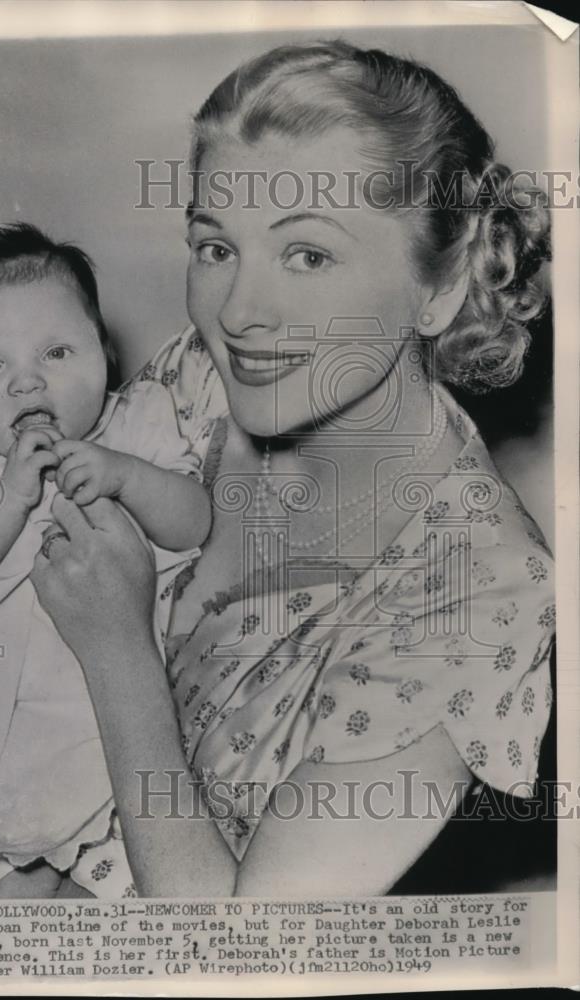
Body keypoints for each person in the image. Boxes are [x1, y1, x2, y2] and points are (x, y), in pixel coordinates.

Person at [28, 38, 555, 898]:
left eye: (308, 255)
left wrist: (115, 648)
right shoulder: (200, 383)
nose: (238, 313)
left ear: (443, 285)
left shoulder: (482, 599)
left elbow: (254, 964)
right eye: (215, 248)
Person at [0, 221, 211, 899]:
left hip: (107, 760)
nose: (26, 385)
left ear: (105, 350)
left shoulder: (136, 424)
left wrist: (127, 475)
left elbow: (194, 522)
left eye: (57, 352)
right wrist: (8, 497)